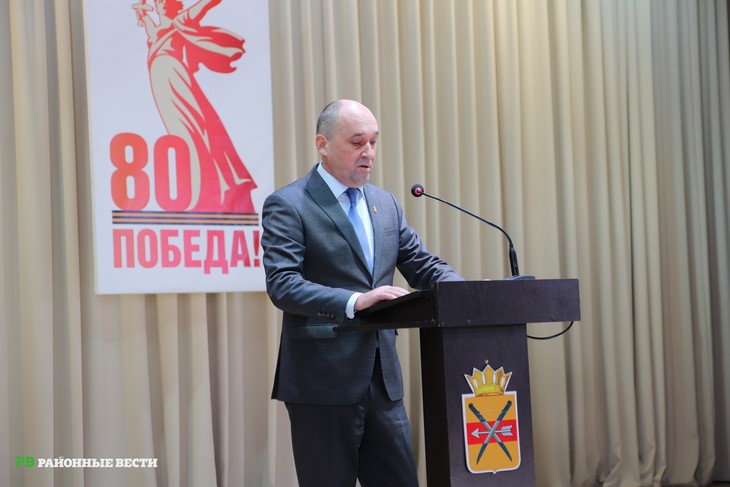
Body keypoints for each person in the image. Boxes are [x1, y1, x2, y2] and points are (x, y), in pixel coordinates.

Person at [261, 99, 463, 486]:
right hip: (322, 382)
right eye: (357, 142)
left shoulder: (384, 203)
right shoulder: (288, 204)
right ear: (322, 144)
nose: (368, 152)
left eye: (373, 141)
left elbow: (422, 265)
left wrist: (467, 293)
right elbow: (283, 284)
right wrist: (355, 301)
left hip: (383, 382)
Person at [133, 0, 256, 212]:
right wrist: (142, 14)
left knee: (194, 130)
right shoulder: (156, 30)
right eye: (159, 0)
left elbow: (205, 5)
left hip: (175, 77)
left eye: (166, 0)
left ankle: (209, 190)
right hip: (161, 82)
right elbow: (148, 25)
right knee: (178, 132)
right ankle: (196, 191)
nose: (162, 3)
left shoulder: (182, 20)